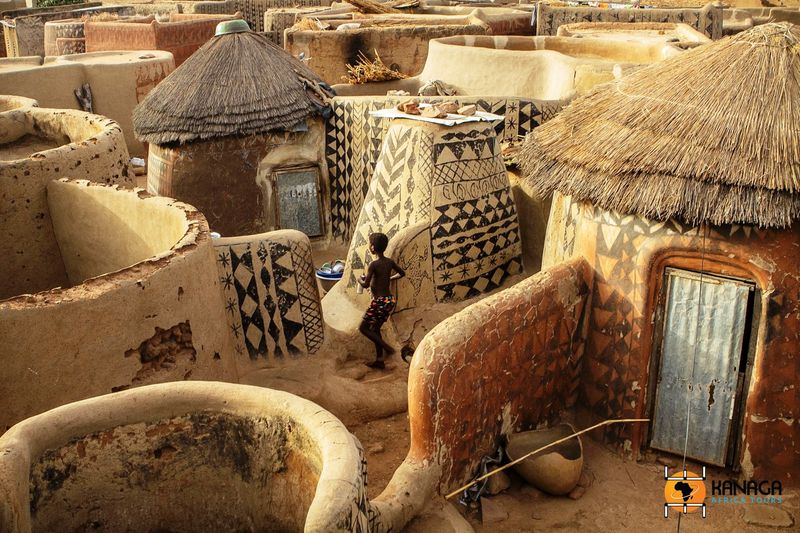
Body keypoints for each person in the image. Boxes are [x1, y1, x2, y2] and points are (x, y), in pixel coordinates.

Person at [358, 232, 405, 369]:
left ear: (372, 247)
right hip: (389, 301)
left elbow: (365, 284)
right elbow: (402, 273)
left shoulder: (373, 264)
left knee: (363, 328)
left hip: (379, 302)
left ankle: (387, 349)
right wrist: (390, 278)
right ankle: (379, 360)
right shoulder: (389, 262)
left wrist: (359, 280)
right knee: (375, 329)